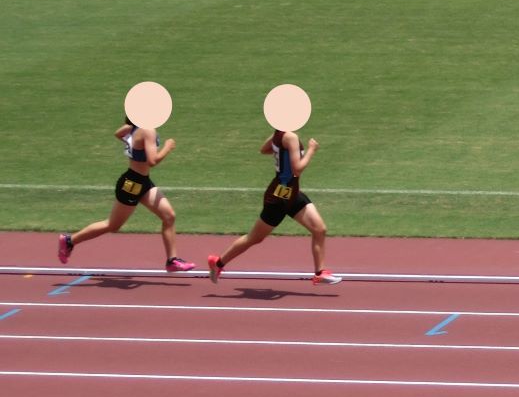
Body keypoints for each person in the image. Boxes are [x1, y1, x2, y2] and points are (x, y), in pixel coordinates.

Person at [58, 113, 194, 275]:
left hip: (143, 183)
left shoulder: (134, 128)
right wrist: (168, 147)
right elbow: (152, 161)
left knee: (169, 216)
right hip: (132, 185)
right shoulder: (147, 130)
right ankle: (70, 240)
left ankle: (172, 261)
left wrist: (133, 144)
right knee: (112, 225)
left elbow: (118, 134)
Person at [207, 127, 339, 286]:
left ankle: (320, 272)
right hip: (279, 196)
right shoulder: (290, 137)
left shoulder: (280, 135)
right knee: (255, 238)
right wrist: (311, 150)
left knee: (319, 229)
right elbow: (297, 169)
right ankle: (218, 263)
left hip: (291, 192)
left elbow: (264, 149)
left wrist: (282, 148)